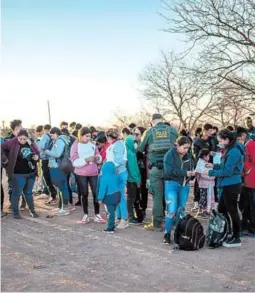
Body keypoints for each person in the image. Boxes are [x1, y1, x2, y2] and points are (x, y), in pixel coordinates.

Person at [138, 113, 178, 231]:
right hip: (170, 169)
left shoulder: (149, 132)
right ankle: (173, 220)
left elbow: (140, 149)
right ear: (162, 120)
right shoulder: (172, 131)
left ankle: (157, 224)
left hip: (155, 168)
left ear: (152, 121)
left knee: (157, 196)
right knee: (171, 195)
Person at [205, 129, 244, 248]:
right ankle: (227, 232)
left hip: (231, 184)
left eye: (221, 140)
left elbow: (228, 171)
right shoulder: (229, 149)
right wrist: (214, 166)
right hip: (226, 183)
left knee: (232, 210)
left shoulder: (234, 152)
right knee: (222, 209)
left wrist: (211, 172)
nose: (219, 143)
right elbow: (225, 165)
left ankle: (236, 237)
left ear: (227, 139)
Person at [1, 129, 40, 219]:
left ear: (28, 138)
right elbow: (1, 148)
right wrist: (5, 160)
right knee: (16, 193)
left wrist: (36, 156)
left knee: (29, 193)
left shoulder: (31, 143)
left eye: (24, 139)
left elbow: (38, 153)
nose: (22, 141)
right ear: (17, 137)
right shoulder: (12, 142)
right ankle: (16, 213)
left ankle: (32, 211)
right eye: (20, 139)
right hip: (18, 174)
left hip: (31, 173)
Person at [163, 136, 195, 244]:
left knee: (181, 210)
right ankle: (167, 234)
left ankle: (178, 233)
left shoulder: (189, 156)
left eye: (188, 148)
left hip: (185, 185)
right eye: (184, 148)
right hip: (171, 184)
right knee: (171, 210)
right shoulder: (169, 155)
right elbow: (168, 171)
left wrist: (193, 174)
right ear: (177, 145)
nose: (186, 150)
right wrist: (185, 173)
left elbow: (192, 168)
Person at [70, 127, 105, 224]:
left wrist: (97, 158)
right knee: (84, 193)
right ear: (81, 135)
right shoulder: (75, 145)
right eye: (87, 136)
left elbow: (99, 157)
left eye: (90, 136)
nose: (89, 138)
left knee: (95, 193)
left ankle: (97, 214)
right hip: (81, 173)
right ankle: (85, 215)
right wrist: (86, 160)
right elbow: (74, 161)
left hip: (93, 172)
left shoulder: (92, 145)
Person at [44, 127, 73, 216]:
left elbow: (57, 154)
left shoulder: (60, 141)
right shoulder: (64, 140)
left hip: (57, 167)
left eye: (52, 135)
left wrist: (47, 152)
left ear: (56, 134)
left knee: (62, 187)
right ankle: (62, 206)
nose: (51, 137)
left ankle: (64, 208)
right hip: (61, 166)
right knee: (63, 187)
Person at [106, 128, 129, 229]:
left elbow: (119, 161)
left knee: (120, 197)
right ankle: (118, 217)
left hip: (118, 173)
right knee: (117, 197)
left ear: (110, 137)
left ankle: (124, 219)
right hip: (115, 173)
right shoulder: (115, 144)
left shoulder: (118, 145)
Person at [192, 123, 216, 211]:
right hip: (201, 166)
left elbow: (216, 148)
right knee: (199, 184)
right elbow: (195, 155)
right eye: (210, 131)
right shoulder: (197, 142)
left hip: (211, 165)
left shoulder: (213, 140)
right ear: (204, 131)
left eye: (212, 130)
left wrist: (214, 153)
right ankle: (196, 202)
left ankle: (211, 203)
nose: (211, 132)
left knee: (211, 183)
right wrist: (206, 153)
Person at [4, 119, 23, 209]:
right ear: (13, 130)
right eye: (18, 128)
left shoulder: (25, 139)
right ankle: (13, 203)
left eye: (21, 128)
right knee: (12, 186)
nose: (20, 130)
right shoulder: (7, 140)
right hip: (12, 168)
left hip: (23, 167)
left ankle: (24, 203)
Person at [97, 162, 121, 233]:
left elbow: (102, 190)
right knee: (113, 212)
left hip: (109, 197)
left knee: (110, 213)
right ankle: (113, 225)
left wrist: (100, 198)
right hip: (117, 196)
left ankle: (110, 228)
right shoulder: (116, 176)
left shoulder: (104, 178)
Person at [38, 124, 58, 204]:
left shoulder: (45, 136)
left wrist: (44, 151)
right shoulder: (54, 138)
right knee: (52, 179)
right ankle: (54, 195)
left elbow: (41, 146)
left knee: (47, 179)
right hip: (52, 160)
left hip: (45, 160)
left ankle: (53, 196)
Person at [125, 135, 142, 225]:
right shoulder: (130, 154)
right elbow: (133, 168)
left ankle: (130, 216)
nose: (135, 145)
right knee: (131, 199)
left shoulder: (129, 152)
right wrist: (137, 180)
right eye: (134, 143)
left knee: (131, 198)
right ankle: (130, 218)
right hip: (132, 180)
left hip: (131, 179)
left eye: (136, 143)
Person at [242, 133, 255, 236]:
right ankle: (250, 227)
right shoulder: (251, 144)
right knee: (251, 204)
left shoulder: (249, 143)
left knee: (247, 203)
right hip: (251, 178)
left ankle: (245, 225)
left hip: (248, 177)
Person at [196, 149, 215, 218]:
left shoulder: (203, 163)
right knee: (204, 198)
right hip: (205, 184)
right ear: (204, 156)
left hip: (208, 184)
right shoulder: (201, 163)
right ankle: (201, 211)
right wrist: (212, 177)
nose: (209, 157)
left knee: (207, 198)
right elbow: (202, 174)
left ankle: (206, 211)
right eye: (208, 156)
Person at [134, 127, 148, 219]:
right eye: (134, 134)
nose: (135, 136)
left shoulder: (147, 144)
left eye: (137, 134)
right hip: (134, 170)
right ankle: (137, 210)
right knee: (135, 191)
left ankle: (143, 209)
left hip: (144, 170)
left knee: (143, 191)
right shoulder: (132, 143)